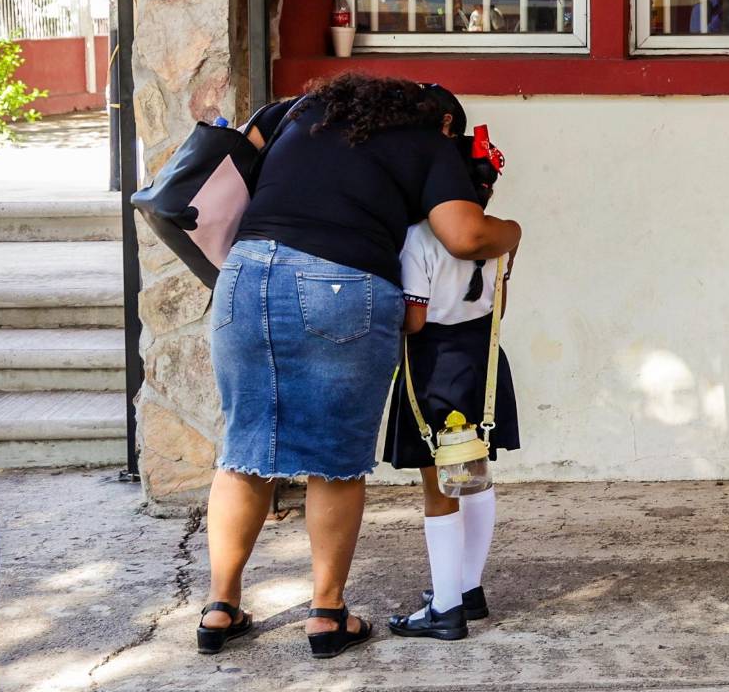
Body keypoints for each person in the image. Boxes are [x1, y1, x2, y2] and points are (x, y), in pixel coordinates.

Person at [194, 77, 521, 661]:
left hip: (243, 272)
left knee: (244, 445)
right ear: (444, 123)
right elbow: (465, 234)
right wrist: (512, 233)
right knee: (335, 457)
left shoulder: (303, 108)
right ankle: (326, 614)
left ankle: (221, 608)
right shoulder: (428, 142)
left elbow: (240, 153)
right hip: (340, 282)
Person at [383, 124, 520, 641]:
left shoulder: (419, 237)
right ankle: (468, 587)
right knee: (475, 471)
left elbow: (414, 321)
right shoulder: (493, 232)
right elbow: (501, 304)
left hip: (432, 362)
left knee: (438, 485)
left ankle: (444, 609)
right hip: (480, 358)